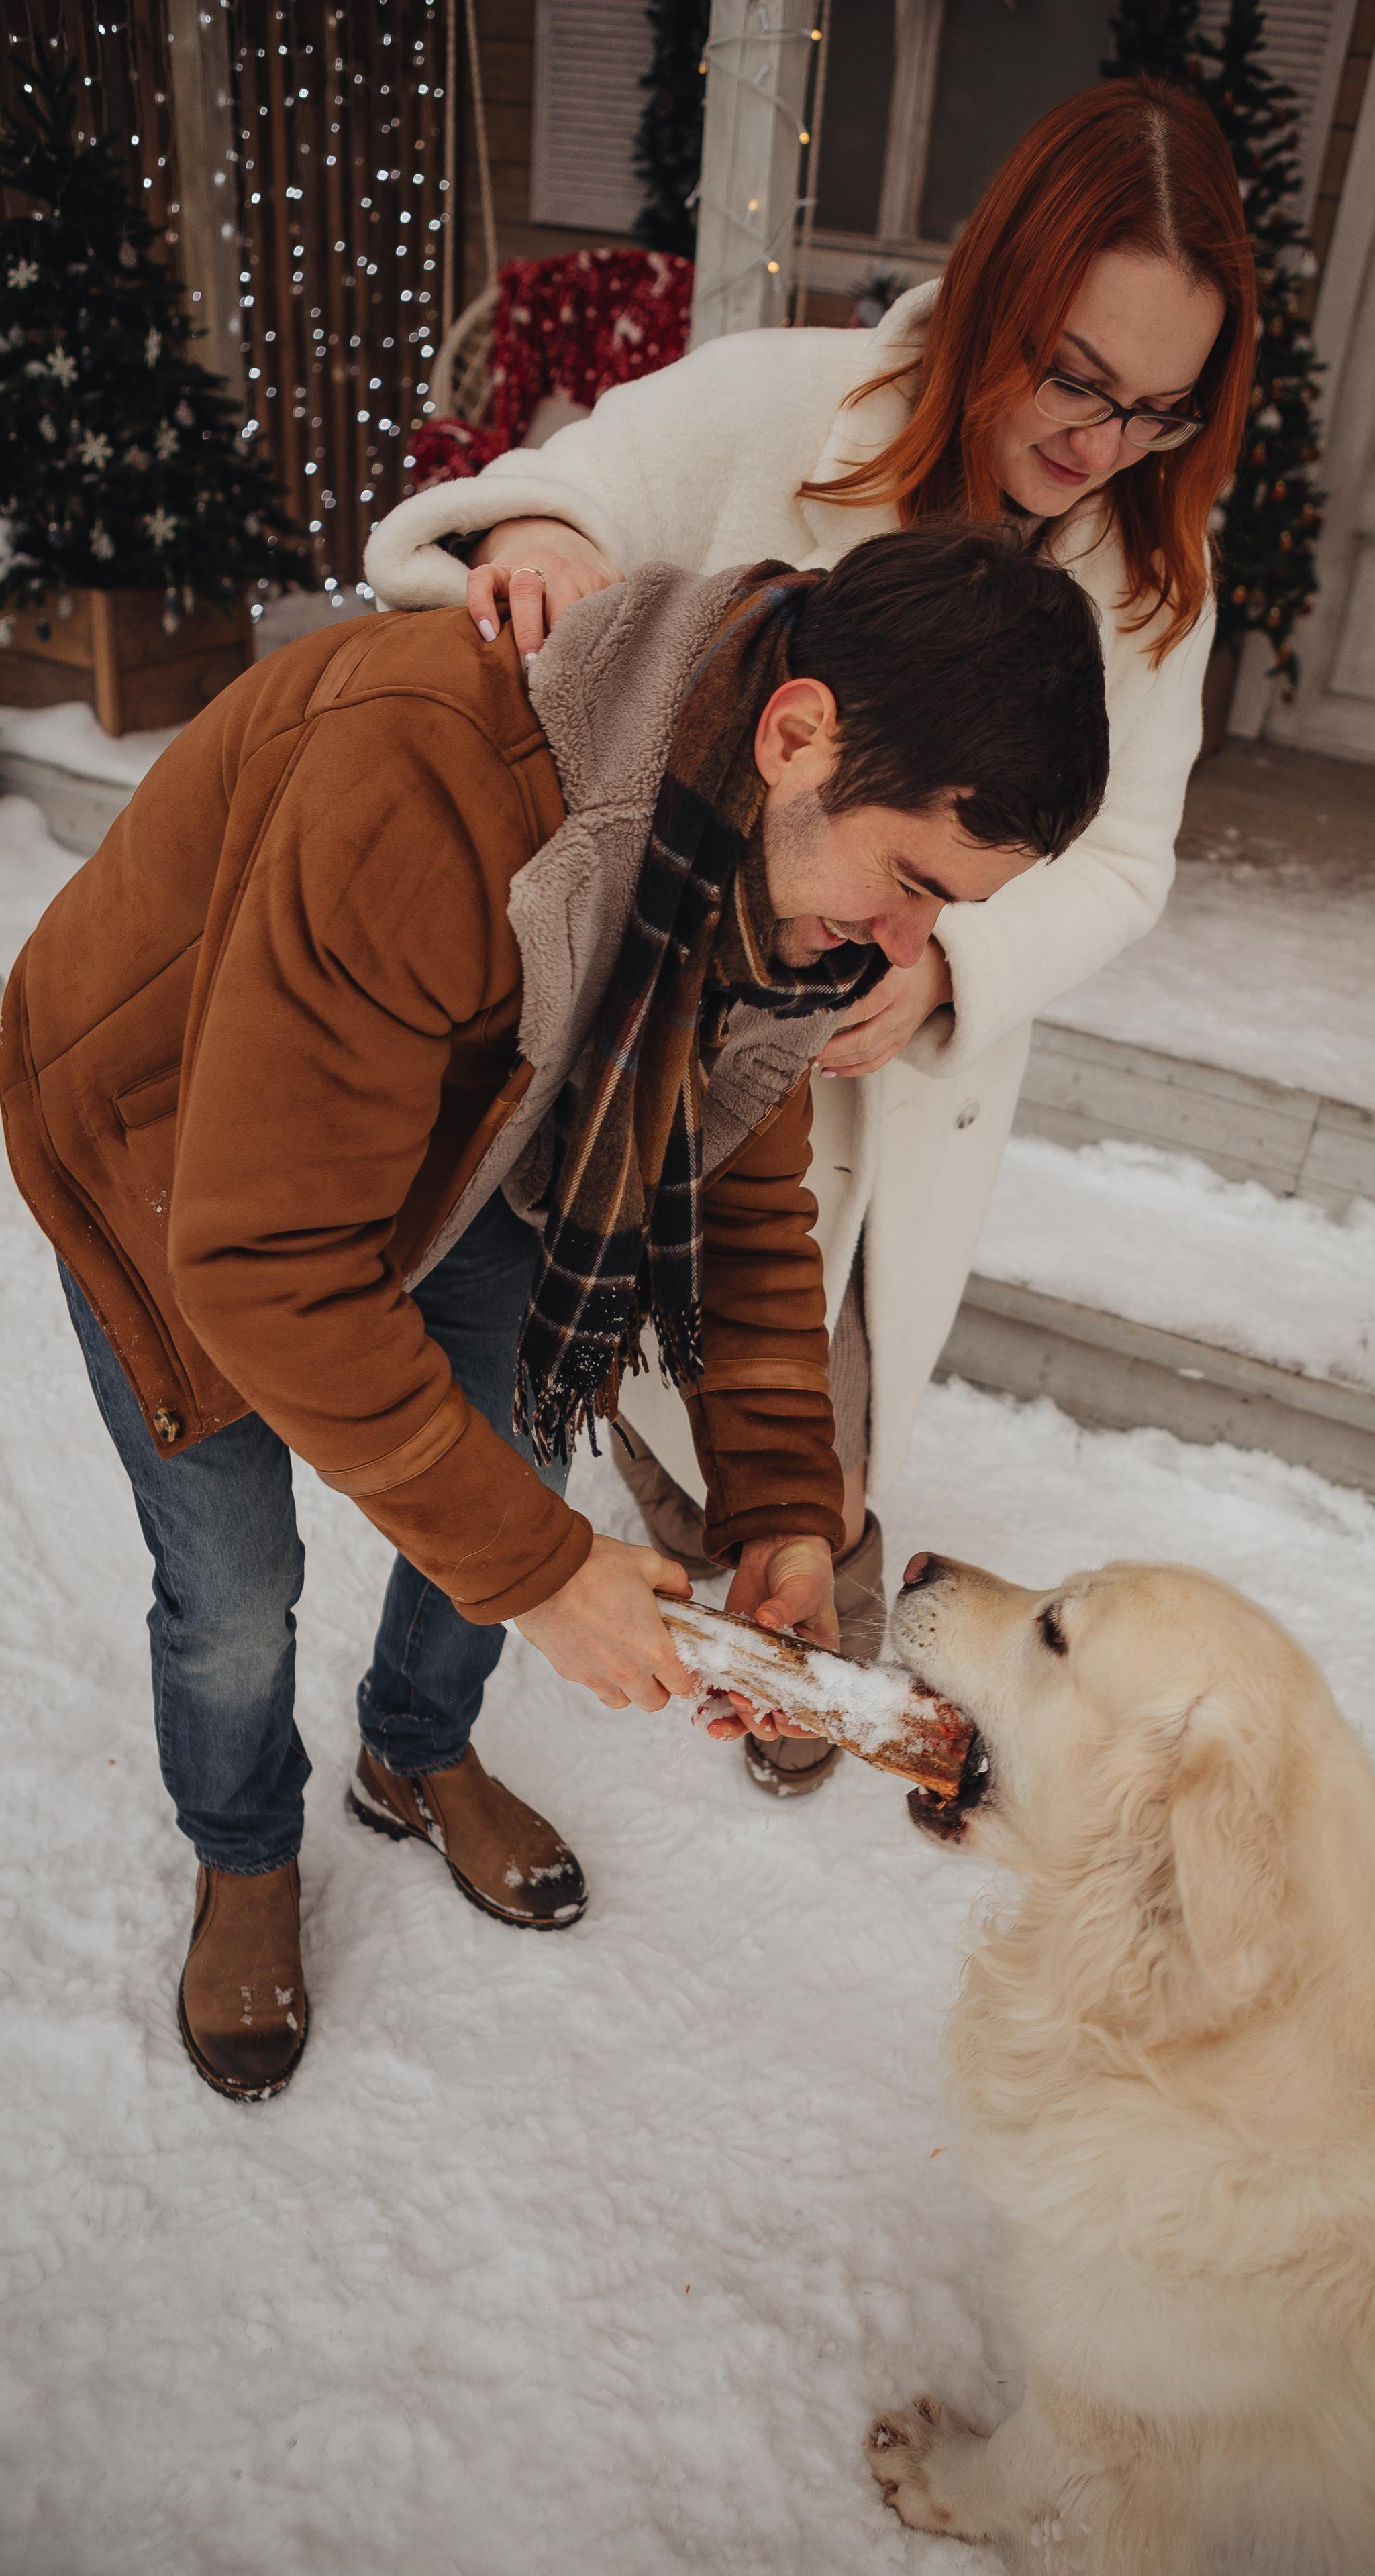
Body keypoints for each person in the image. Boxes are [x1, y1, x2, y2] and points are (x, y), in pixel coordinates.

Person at [0, 523, 1109, 2103]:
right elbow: (265, 1261)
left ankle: (415, 1749)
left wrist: (782, 1510)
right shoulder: (419, 781)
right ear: (796, 735)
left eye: (951, 913)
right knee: (237, 1588)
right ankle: (243, 1850)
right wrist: (539, 1577)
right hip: (179, 1166)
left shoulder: (768, 903)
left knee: (517, 1472)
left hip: (477, 1133)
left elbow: (743, 1201)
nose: (905, 952)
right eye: (912, 883)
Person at [364, 74, 1256, 1797]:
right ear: (995, 293)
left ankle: (784, 1620)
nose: (1098, 441)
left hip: (882, 1077)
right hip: (649, 1027)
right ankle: (484, 1700)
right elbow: (559, 497)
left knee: (810, 1378)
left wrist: (948, 962)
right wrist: (543, 530)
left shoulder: (1155, 575)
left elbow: (1124, 859)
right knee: (553, 1374)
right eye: (1073, 375)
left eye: (1155, 409)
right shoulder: (789, 401)